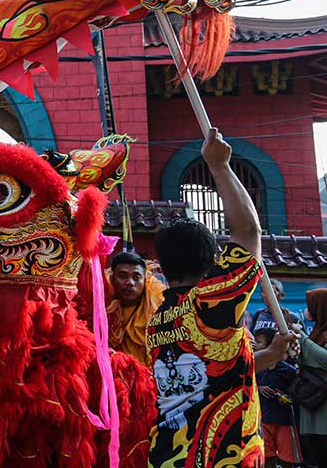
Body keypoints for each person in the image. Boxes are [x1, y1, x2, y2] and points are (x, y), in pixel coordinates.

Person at [147, 129, 269, 467]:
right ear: (212, 262)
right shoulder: (209, 303)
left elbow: (214, 370)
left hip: (168, 456)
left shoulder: (158, 319)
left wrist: (266, 356)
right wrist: (219, 167)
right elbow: (247, 233)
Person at [106, 250, 165, 367]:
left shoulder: (158, 311)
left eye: (136, 277)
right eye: (123, 276)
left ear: (145, 281)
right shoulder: (102, 309)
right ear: (112, 279)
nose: (130, 283)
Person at [253, 327, 302, 468]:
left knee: (288, 461)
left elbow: (296, 395)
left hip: (284, 421)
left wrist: (285, 397)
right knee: (267, 459)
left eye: (259, 342)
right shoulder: (253, 369)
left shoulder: (289, 371)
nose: (254, 345)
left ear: (272, 346)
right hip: (263, 420)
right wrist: (258, 388)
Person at [297, 287, 327, 466]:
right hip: (311, 402)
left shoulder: (312, 335)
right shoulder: (318, 331)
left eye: (312, 305)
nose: (308, 310)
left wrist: (302, 339)